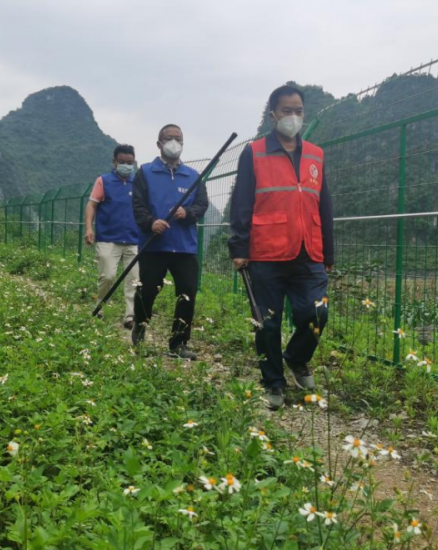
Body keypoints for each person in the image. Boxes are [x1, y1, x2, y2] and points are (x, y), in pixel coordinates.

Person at [228, 85, 335, 409]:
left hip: (309, 250)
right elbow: (242, 201)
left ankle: (296, 357)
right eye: (287, 111)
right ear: (273, 115)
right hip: (266, 251)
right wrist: (239, 247)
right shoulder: (255, 152)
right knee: (268, 321)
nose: (293, 116)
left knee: (317, 312)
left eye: (298, 111)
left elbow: (324, 205)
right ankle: (273, 382)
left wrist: (328, 251)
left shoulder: (316, 154)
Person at [131, 124, 209, 359]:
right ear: (159, 143)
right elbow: (138, 205)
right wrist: (151, 222)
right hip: (153, 246)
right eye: (168, 138)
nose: (174, 142)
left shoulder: (193, 176)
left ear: (183, 143)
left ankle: (179, 342)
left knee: (187, 294)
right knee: (147, 291)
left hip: (185, 247)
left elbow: (202, 205)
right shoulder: (145, 172)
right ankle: (140, 330)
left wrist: (189, 213)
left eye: (178, 138)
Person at [84, 144, 141, 329]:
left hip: (133, 240)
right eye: (122, 162)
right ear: (114, 162)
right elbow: (92, 205)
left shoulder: (138, 183)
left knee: (134, 280)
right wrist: (89, 228)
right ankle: (99, 307)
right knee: (107, 276)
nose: (126, 165)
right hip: (108, 238)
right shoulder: (103, 181)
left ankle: (130, 317)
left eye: (130, 162)